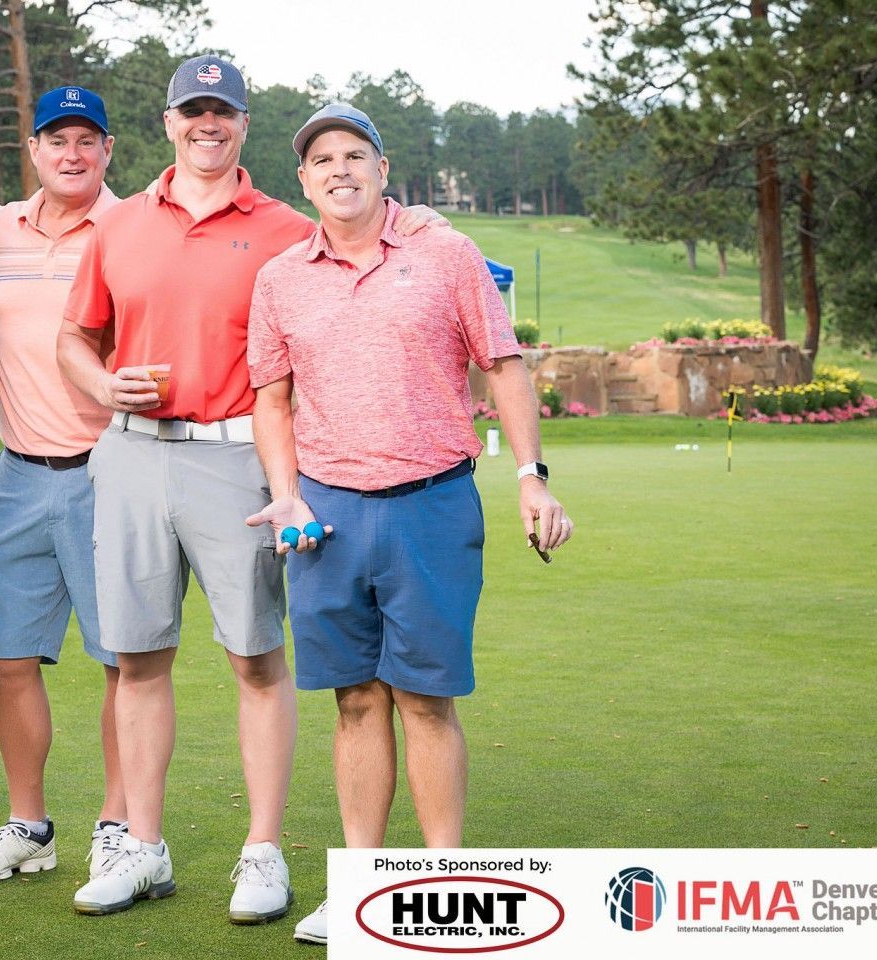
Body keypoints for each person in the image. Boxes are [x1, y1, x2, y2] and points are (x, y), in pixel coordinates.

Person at [58, 56, 444, 923]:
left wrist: (414, 220)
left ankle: (262, 852)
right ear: (167, 122)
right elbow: (74, 337)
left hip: (238, 458)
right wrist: (95, 385)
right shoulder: (117, 226)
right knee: (136, 657)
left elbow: (366, 229)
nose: (207, 123)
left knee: (255, 659)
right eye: (192, 110)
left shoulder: (282, 224)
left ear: (241, 123)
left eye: (221, 111)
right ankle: (141, 848)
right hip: (129, 454)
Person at [244, 103, 574, 946]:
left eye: (356, 155)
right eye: (323, 161)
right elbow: (271, 397)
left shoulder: (444, 254)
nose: (340, 170)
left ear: (384, 171)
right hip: (326, 514)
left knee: (424, 700)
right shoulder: (281, 276)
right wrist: (285, 491)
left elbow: (502, 365)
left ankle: (439, 885)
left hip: (431, 502)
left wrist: (531, 479)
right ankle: (364, 885)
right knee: (355, 701)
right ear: (304, 180)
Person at [0, 85, 129, 884]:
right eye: (57, 138)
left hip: (113, 475)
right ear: (33, 150)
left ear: (108, 150)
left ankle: (121, 827)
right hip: (17, 476)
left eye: (87, 139)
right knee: (9, 658)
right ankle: (30, 826)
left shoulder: (132, 230)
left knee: (126, 663)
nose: (72, 152)